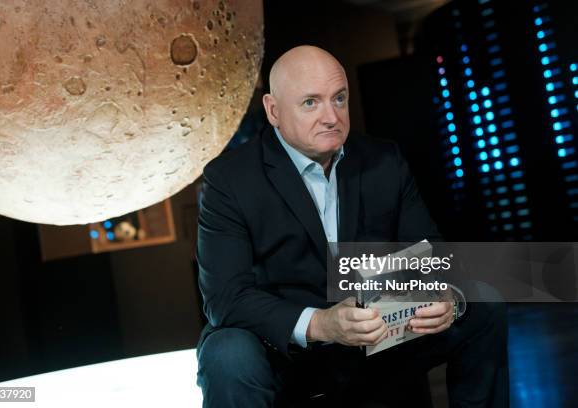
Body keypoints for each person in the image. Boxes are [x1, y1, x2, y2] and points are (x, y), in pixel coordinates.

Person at [196, 45, 508, 407]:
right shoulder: (229, 179)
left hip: (379, 337)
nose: (331, 116)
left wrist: (445, 296)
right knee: (227, 352)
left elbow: (431, 254)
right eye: (311, 102)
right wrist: (322, 324)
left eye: (339, 98)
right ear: (273, 110)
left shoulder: (383, 160)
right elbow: (226, 299)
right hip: (287, 352)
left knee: (481, 301)